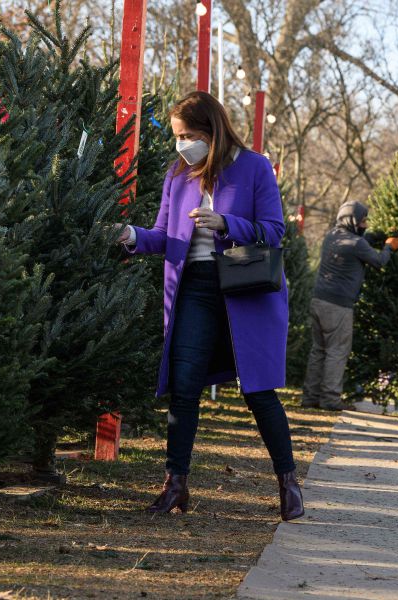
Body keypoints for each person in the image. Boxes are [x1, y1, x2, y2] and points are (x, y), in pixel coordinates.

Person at [115, 91, 304, 521]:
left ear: (211, 130)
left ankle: (288, 482)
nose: (181, 144)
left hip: (244, 286)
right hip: (194, 288)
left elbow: (274, 232)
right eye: (178, 136)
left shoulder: (254, 167)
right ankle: (175, 485)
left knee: (258, 391)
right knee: (184, 388)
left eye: (188, 135)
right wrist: (131, 235)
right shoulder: (177, 175)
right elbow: (164, 236)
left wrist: (227, 224)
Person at [302, 201, 398, 410]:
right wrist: (389, 246)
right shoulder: (358, 244)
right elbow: (379, 261)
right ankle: (330, 399)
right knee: (337, 351)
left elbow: (359, 241)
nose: (365, 224)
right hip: (338, 306)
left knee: (318, 350)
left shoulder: (332, 236)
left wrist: (375, 236)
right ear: (353, 220)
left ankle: (310, 398)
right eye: (363, 220)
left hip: (318, 300)